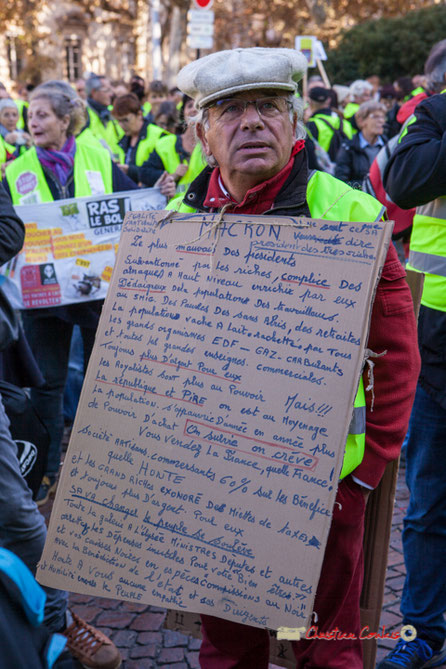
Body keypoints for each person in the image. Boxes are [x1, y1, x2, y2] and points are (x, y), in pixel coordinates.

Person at [166, 46, 420, 669]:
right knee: (228, 647)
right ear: (202, 134)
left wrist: (365, 475)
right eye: (229, 110)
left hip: (326, 486)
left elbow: (396, 356)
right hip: (212, 480)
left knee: (327, 646)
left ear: (295, 122)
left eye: (269, 107)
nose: (252, 122)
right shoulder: (171, 227)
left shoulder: (352, 213)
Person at [0, 180, 120, 669]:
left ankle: (58, 624)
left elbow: (9, 228)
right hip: (50, 302)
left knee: (16, 515)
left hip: (77, 290)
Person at [3, 84, 137, 510]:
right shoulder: (14, 169)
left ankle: (102, 465)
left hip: (99, 294)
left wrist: (160, 191)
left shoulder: (99, 156)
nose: (33, 123)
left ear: (66, 119)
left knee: (103, 381)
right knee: (46, 386)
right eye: (30, 116)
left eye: (42, 115)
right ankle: (45, 473)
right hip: (43, 300)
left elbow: (132, 201)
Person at [378, 90, 446, 669]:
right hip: (438, 344)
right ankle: (422, 630)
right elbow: (404, 184)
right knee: (427, 504)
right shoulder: (435, 113)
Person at [141, 94, 206, 193]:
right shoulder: (166, 143)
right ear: (183, 113)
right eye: (189, 105)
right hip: (173, 207)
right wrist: (172, 176)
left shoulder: (215, 144)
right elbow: (144, 173)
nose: (194, 109)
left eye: (198, 106)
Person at [112, 92, 167, 181]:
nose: (121, 125)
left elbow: (166, 174)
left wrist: (130, 171)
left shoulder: (159, 135)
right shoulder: (123, 139)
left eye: (125, 120)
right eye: (118, 121)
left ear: (139, 114)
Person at [335, 100, 387, 189]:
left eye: (383, 117)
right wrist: (367, 186)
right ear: (361, 121)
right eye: (375, 117)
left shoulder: (388, 146)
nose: (381, 121)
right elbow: (341, 182)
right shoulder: (348, 147)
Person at [305, 86, 353, 161]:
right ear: (329, 100)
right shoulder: (346, 123)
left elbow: (309, 155)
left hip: (322, 170)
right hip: (343, 169)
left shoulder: (311, 124)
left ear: (310, 102)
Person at [85, 74, 123, 159]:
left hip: (117, 167)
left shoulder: (111, 113)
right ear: (94, 92)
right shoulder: (84, 116)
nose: (111, 94)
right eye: (107, 90)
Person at [0, 98, 32, 172]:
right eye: (6, 115)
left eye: (14, 115)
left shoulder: (23, 135)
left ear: (18, 117)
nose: (11, 119)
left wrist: (30, 146)